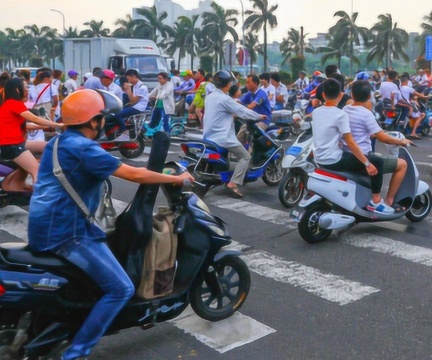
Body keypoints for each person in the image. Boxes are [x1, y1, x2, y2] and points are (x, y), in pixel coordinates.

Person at [27, 89, 193, 360]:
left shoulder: (59, 142)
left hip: (44, 227)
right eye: (102, 118)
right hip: (68, 234)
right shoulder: (84, 149)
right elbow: (133, 173)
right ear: (93, 122)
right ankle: (76, 353)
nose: (106, 122)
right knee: (121, 288)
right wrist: (177, 179)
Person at [311, 79, 392, 214]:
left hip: (319, 158)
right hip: (334, 160)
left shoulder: (316, 112)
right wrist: (367, 163)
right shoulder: (340, 114)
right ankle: (376, 201)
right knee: (377, 162)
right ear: (340, 95)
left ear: (323, 94)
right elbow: (351, 143)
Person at [342, 80, 413, 209]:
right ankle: (388, 201)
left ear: (352, 95)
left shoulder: (345, 109)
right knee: (402, 164)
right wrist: (402, 141)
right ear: (370, 96)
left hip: (347, 155)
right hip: (363, 156)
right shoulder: (366, 115)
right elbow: (383, 138)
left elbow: (351, 105)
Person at [203, 70, 267, 198]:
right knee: (245, 157)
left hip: (208, 136)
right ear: (227, 84)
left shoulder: (209, 96)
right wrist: (259, 116)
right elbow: (242, 111)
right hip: (222, 137)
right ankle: (233, 183)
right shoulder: (225, 99)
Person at [0, 77, 61, 191]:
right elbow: (34, 118)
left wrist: (46, 126)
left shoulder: (11, 104)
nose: (28, 90)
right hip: (12, 145)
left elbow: (27, 125)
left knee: (47, 146)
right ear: (18, 90)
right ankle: (41, 200)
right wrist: (58, 124)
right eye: (26, 87)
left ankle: (20, 188)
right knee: (36, 170)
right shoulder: (13, 103)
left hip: (16, 142)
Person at [114, 69, 149, 137]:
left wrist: (129, 89)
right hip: (134, 106)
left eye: (129, 79)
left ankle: (124, 130)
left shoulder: (142, 87)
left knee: (118, 114)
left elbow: (134, 100)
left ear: (134, 76)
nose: (129, 81)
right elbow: (132, 100)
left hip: (139, 108)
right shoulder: (136, 86)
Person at [398, 74, 428, 139]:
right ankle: (413, 133)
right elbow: (419, 95)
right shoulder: (408, 88)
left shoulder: (398, 88)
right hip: (407, 107)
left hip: (399, 106)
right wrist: (426, 96)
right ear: (406, 82)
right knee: (421, 115)